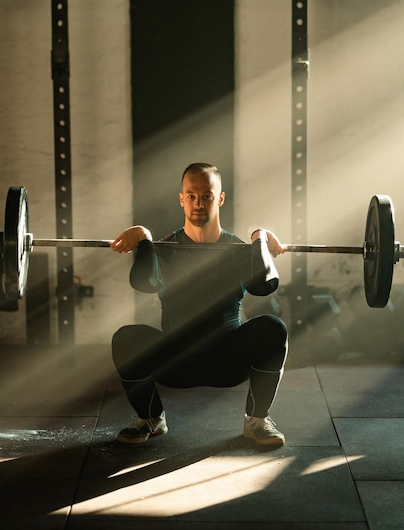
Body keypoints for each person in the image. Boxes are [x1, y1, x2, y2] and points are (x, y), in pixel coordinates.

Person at [111, 162, 288, 447]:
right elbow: (143, 283)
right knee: (126, 338)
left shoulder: (238, 250)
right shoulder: (165, 249)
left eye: (207, 195)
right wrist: (144, 238)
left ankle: (257, 421)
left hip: (227, 362)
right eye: (191, 196)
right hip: (177, 363)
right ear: (181, 199)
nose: (198, 203)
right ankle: (150, 418)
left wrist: (260, 238)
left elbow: (265, 285)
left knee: (272, 327)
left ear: (220, 198)